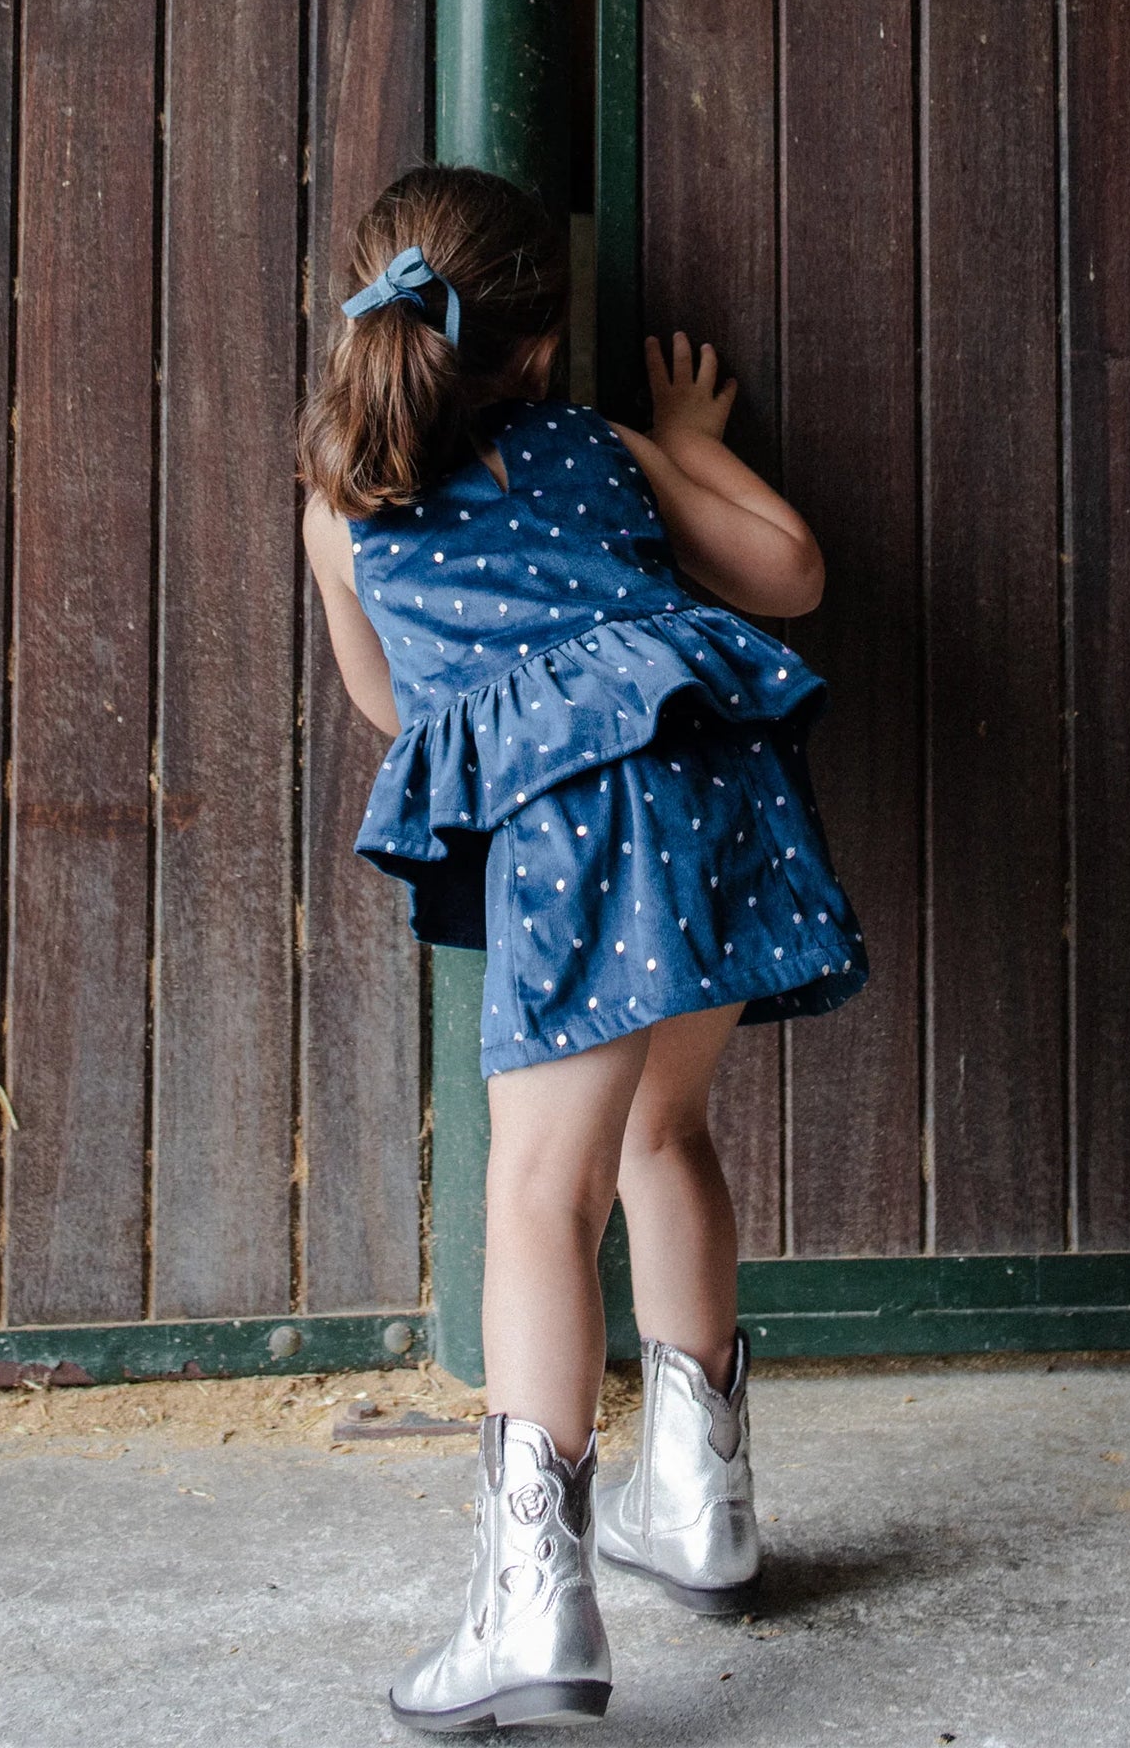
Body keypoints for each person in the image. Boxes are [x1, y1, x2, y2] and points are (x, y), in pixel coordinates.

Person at [300, 165, 868, 1732]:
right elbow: (792, 575)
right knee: (666, 1137)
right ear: (541, 349)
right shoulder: (597, 446)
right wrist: (688, 448)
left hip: (575, 842)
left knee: (539, 1197)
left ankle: (528, 1602)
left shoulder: (345, 515)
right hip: (713, 791)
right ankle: (700, 1500)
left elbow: (390, 707)